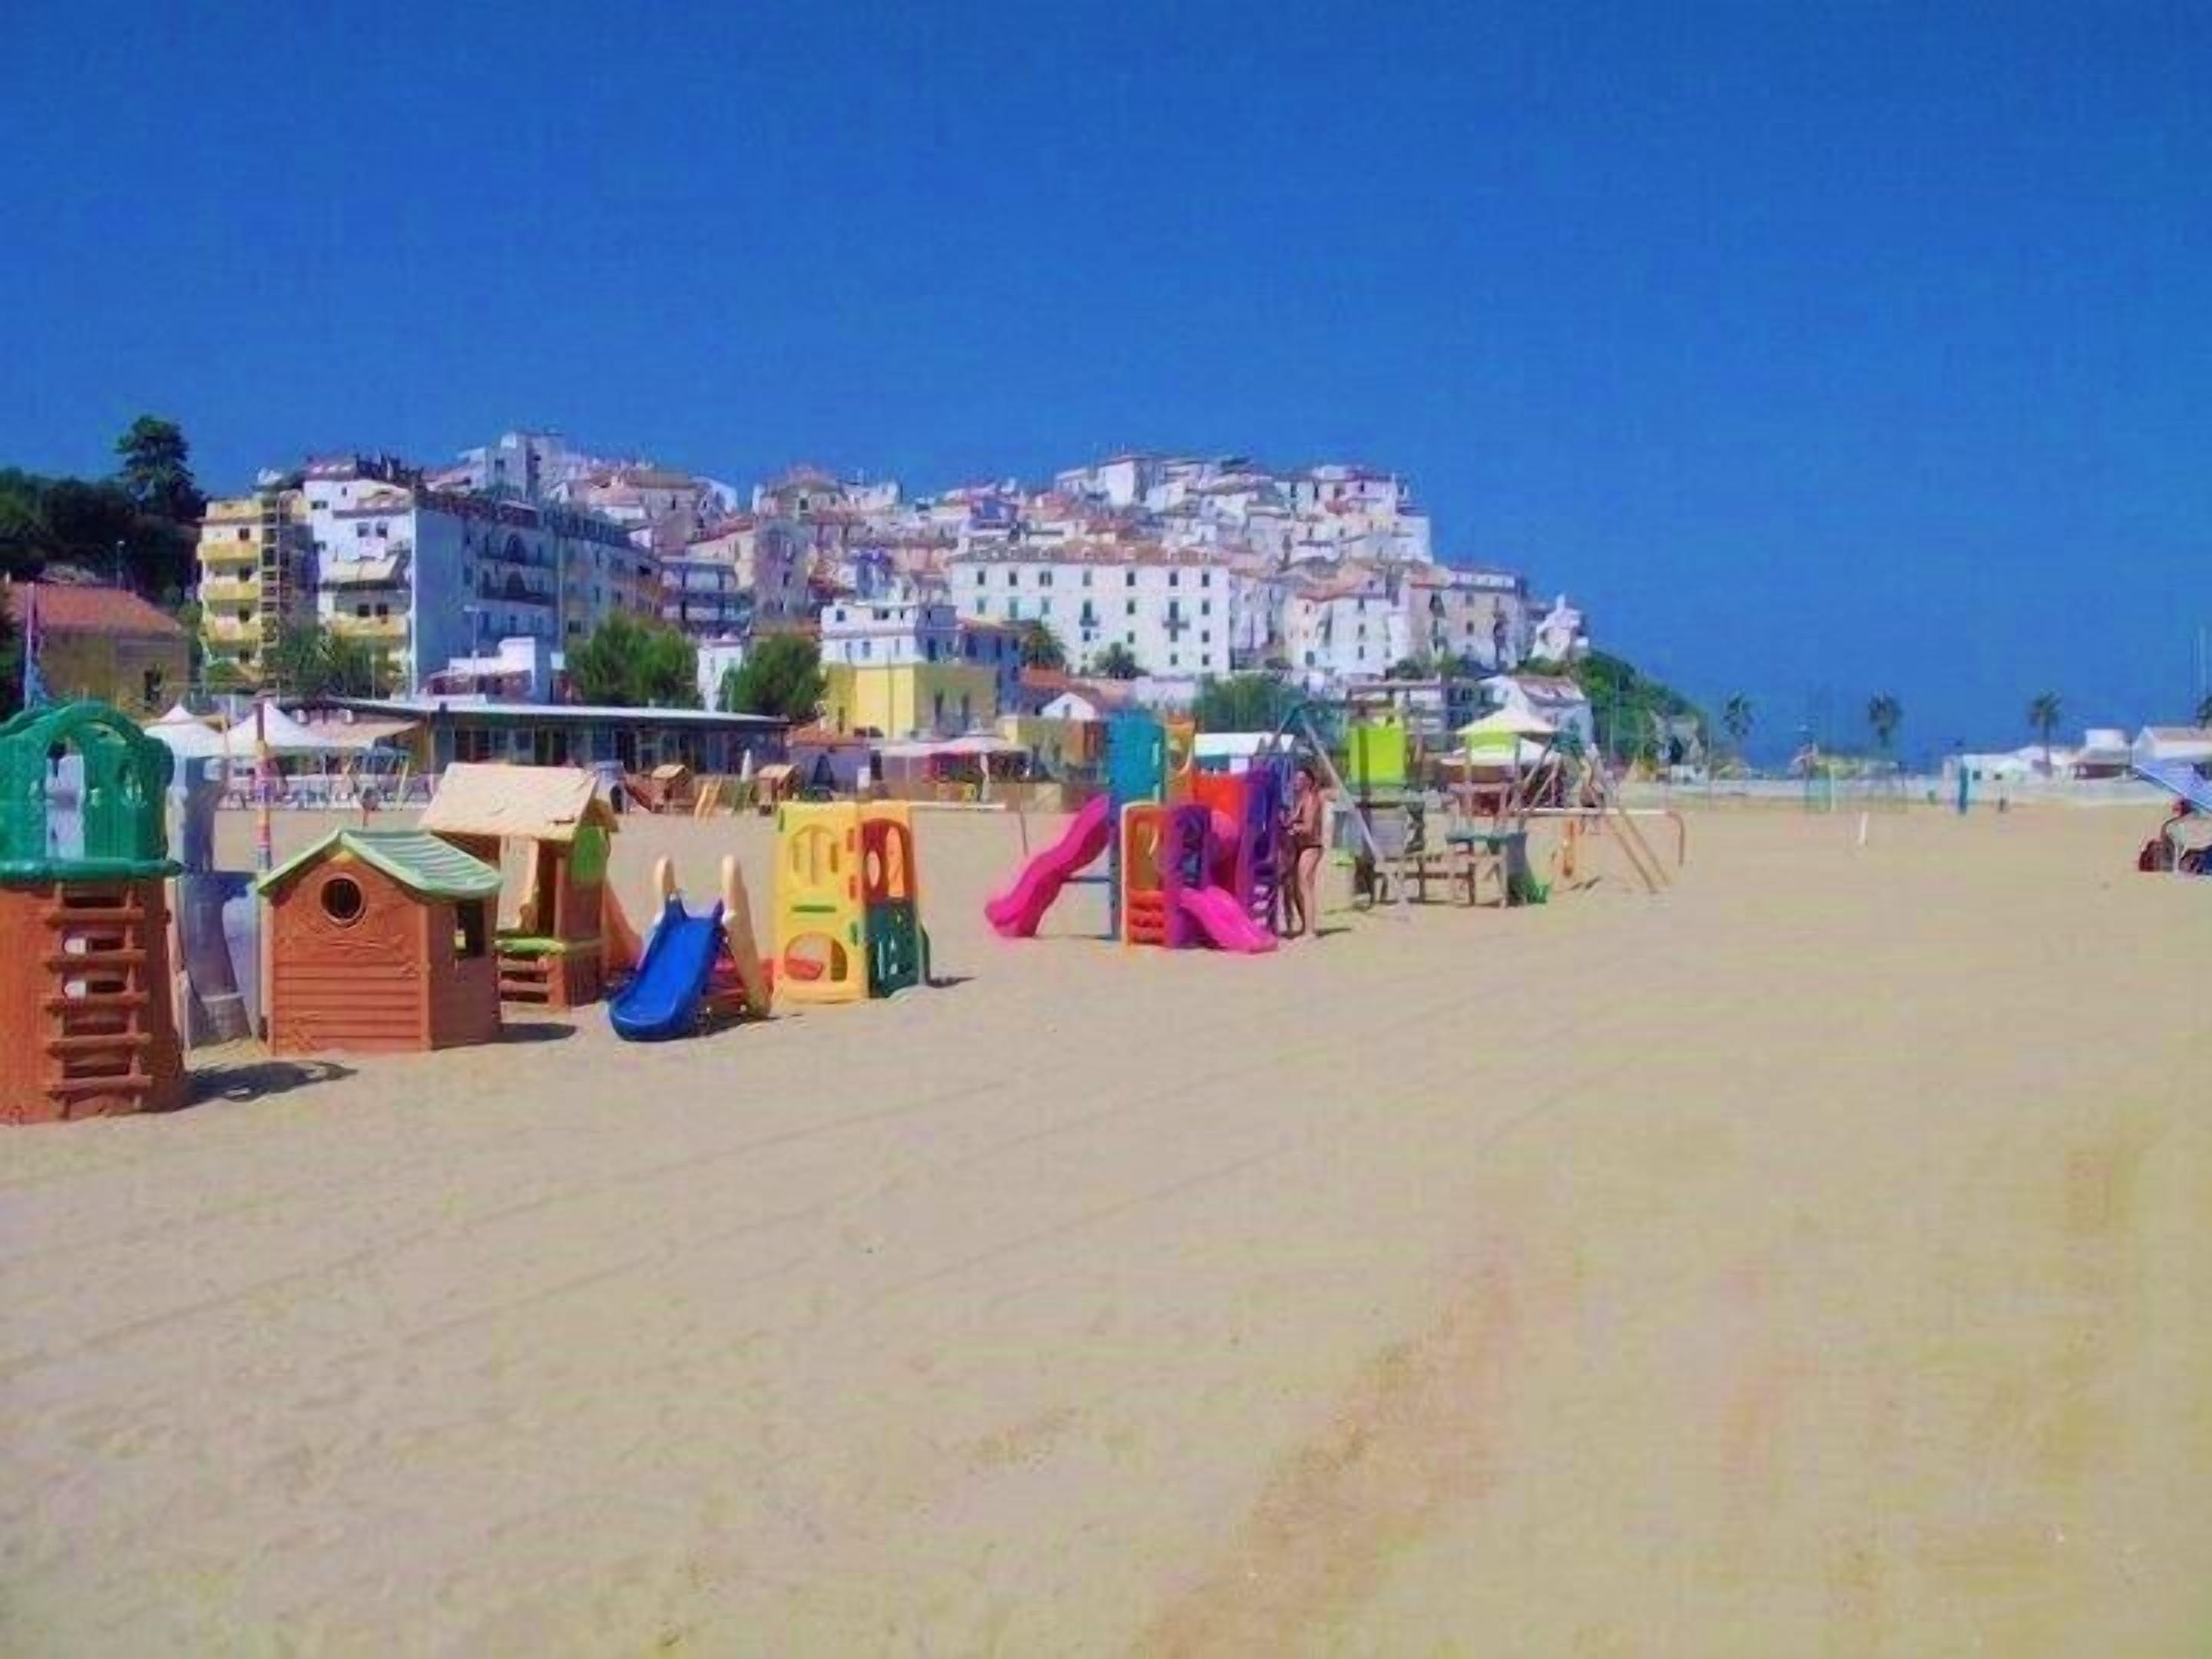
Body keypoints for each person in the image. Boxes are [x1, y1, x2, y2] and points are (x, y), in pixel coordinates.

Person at [1281, 761, 1327, 938]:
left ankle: (1310, 930)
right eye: (1296, 778)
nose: (1296, 781)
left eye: (1301, 779)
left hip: (1311, 846)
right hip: (1301, 846)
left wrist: (1293, 829)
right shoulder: (1300, 800)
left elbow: (1308, 827)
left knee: (1305, 884)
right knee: (1297, 887)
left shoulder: (1311, 800)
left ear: (1309, 781)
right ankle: (1305, 926)